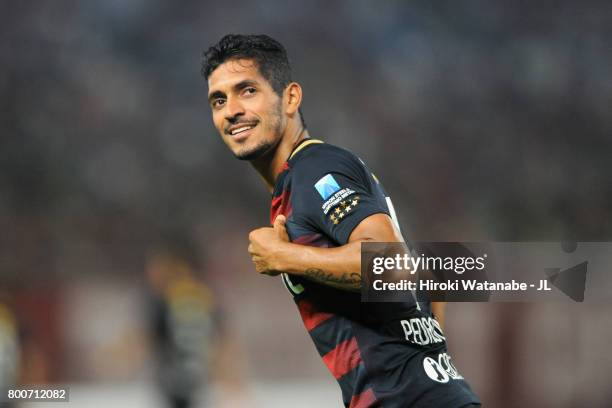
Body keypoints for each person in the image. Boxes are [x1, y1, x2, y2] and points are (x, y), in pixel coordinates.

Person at [202, 34, 481, 408]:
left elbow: (391, 263)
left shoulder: (314, 169)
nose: (231, 109)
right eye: (219, 100)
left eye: (247, 90)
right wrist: (422, 360)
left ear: (290, 98)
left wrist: (286, 258)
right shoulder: (307, 176)